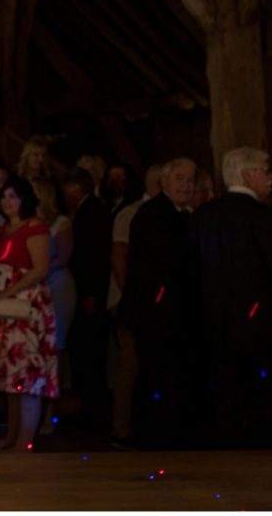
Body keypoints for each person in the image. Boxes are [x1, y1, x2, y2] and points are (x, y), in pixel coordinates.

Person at [0, 177, 58, 453]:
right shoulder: (3, 229)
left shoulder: (36, 227)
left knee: (25, 376)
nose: (7, 201)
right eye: (4, 197)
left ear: (24, 199)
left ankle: (23, 442)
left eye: (13, 196)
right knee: (9, 377)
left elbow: (39, 269)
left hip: (25, 310)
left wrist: (4, 294)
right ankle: (11, 437)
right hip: (3, 313)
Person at [191, 148, 272, 448]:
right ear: (247, 174)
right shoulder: (264, 218)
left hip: (212, 322)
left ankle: (227, 459)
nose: (271, 178)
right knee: (265, 397)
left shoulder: (202, 216)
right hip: (260, 325)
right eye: (265, 171)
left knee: (226, 398)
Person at [122, 158, 196, 448]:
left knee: (169, 377)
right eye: (180, 178)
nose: (186, 185)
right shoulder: (153, 215)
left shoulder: (182, 215)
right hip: (156, 313)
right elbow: (175, 261)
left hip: (171, 314)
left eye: (190, 180)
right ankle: (155, 439)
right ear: (163, 183)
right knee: (157, 377)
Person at [108, 163, 162, 447]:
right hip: (132, 302)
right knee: (130, 362)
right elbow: (119, 260)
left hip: (149, 302)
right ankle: (122, 427)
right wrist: (132, 299)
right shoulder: (131, 214)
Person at [62, 166, 112, 423]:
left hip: (89, 292)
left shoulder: (91, 213)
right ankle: (91, 406)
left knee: (89, 352)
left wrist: (91, 293)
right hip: (87, 291)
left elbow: (95, 256)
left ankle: (94, 409)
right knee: (87, 352)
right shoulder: (89, 210)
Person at [30, 178, 75, 435]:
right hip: (35, 287)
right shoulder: (27, 224)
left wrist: (37, 271)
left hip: (56, 287)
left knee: (53, 350)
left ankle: (50, 413)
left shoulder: (60, 223)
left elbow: (63, 256)